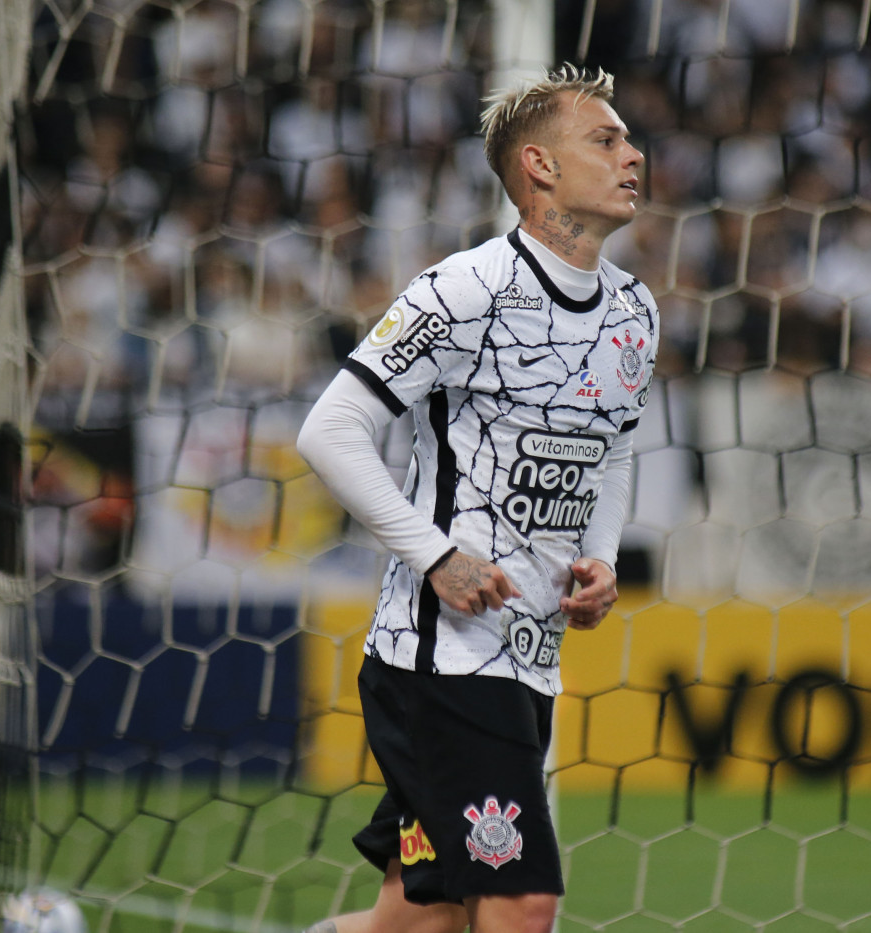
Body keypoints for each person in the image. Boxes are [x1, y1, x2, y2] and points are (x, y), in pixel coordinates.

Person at [295, 65, 654, 933]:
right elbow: (330, 429)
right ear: (538, 166)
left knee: (421, 920)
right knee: (522, 902)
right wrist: (438, 556)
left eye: (628, 138)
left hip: (529, 653)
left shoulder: (633, 312)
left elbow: (611, 451)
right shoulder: (468, 289)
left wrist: (599, 553)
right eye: (604, 140)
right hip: (443, 658)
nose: (632, 153)